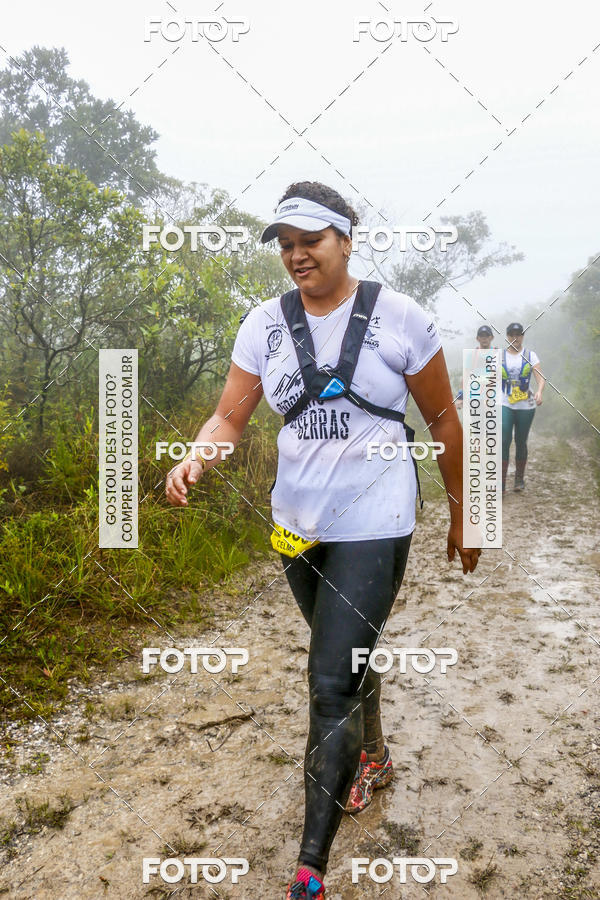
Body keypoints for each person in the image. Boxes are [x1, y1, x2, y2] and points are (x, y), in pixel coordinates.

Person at [165, 181, 481, 899]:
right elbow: (229, 419)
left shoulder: (400, 318)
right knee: (346, 654)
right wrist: (196, 455)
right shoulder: (263, 325)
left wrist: (465, 515)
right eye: (285, 244)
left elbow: (445, 425)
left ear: (346, 238)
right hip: (295, 525)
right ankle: (372, 755)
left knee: (329, 680)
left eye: (310, 240)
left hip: (376, 521)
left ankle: (309, 869)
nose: (296, 255)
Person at [501, 322, 545, 492]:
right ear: (507, 336)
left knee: (521, 441)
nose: (515, 338)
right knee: (504, 441)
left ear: (522, 336)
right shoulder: (499, 356)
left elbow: (540, 377)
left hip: (526, 406)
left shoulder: (530, 355)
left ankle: (519, 479)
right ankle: (501, 483)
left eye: (518, 334)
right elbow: (485, 378)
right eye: (511, 334)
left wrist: (539, 391)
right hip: (504, 403)